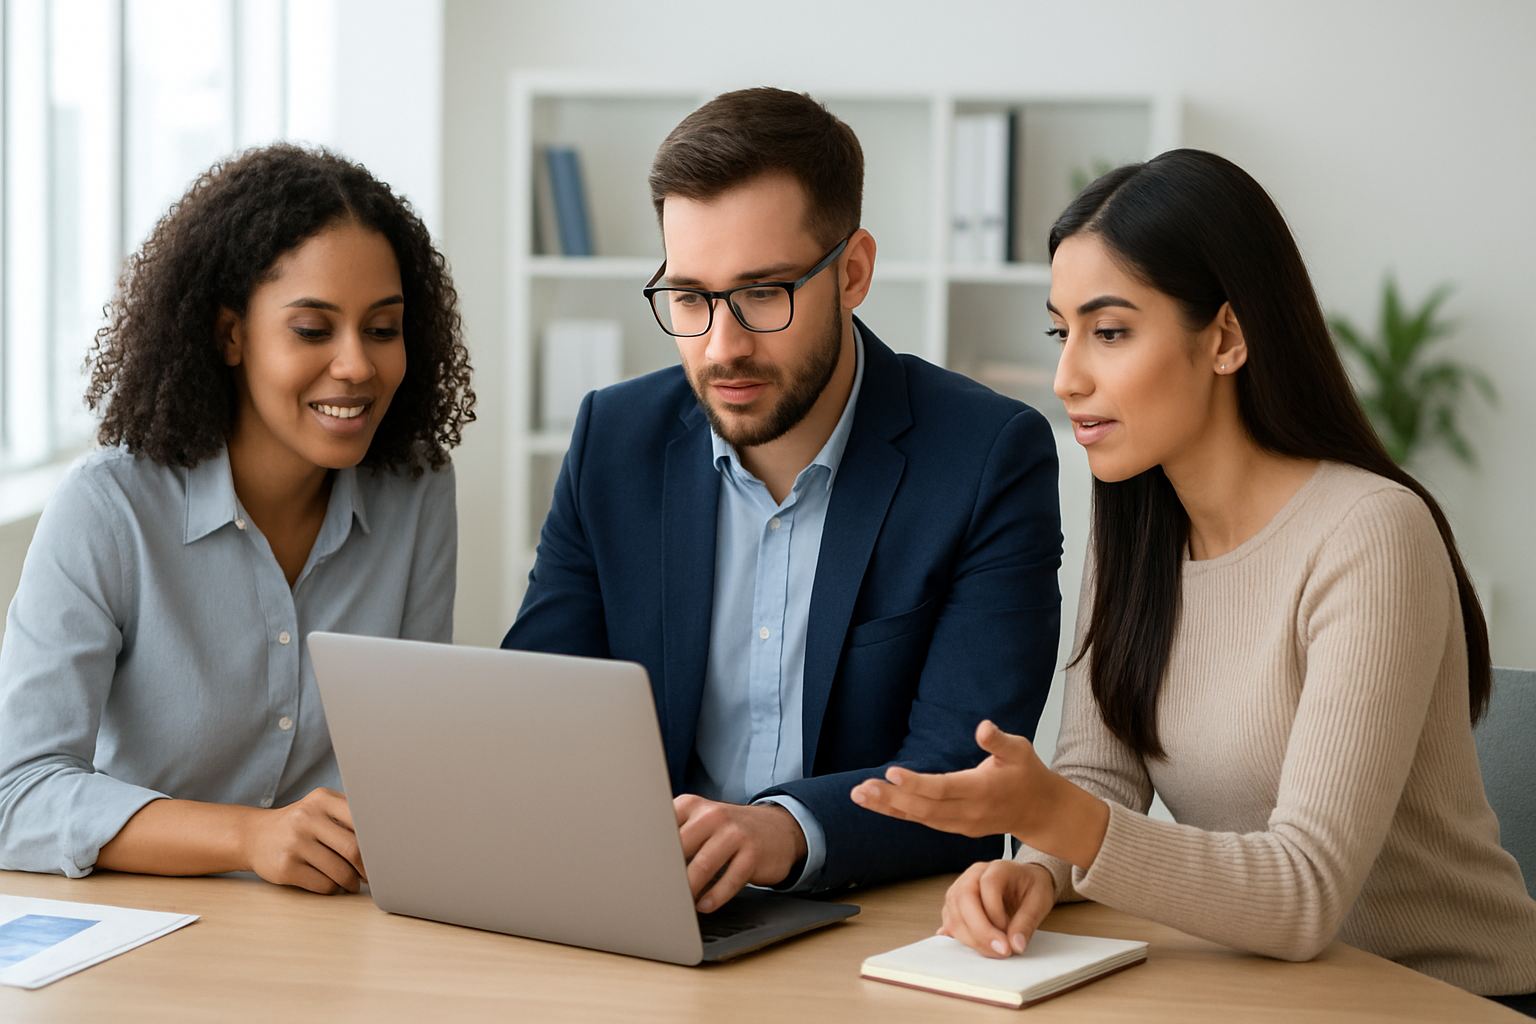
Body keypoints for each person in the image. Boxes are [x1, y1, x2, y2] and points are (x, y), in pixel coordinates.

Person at [851, 148, 1536, 1010]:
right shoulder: (1138, 522)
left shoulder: (1369, 534)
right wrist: (1034, 873)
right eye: (1062, 333)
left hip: (1449, 998)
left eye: (1110, 332)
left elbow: (1305, 892)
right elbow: (1099, 777)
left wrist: (1059, 819)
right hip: (1273, 994)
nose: (1068, 378)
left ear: (1226, 336)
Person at [502, 88, 1061, 911]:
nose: (722, 347)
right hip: (649, 902)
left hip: (876, 919)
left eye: (763, 293)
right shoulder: (612, 441)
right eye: (689, 298)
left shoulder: (986, 457)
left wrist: (786, 830)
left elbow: (963, 781)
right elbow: (538, 713)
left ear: (854, 272)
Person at [0, 144, 475, 895]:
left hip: (340, 931)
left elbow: (410, 765)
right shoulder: (108, 508)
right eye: (313, 330)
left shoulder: (416, 490)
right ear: (230, 335)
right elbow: (15, 794)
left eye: (382, 329)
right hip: (146, 932)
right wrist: (249, 837)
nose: (357, 365)